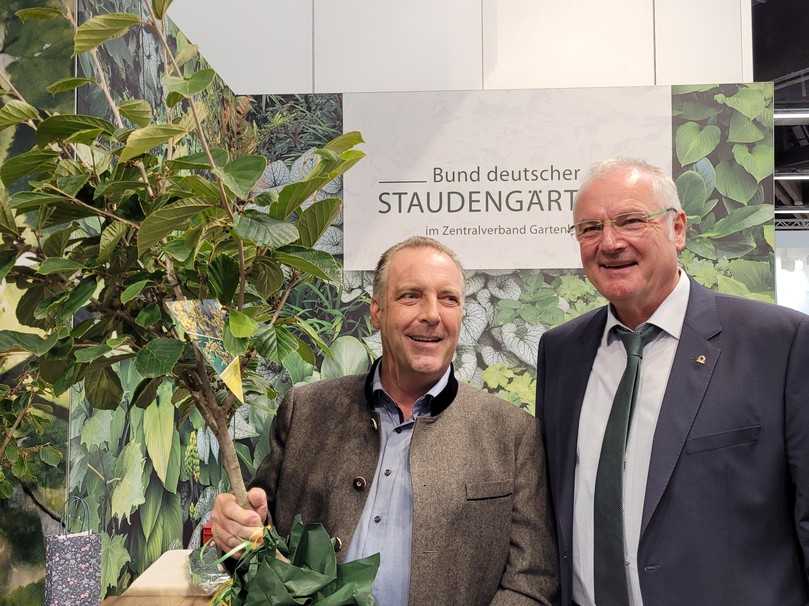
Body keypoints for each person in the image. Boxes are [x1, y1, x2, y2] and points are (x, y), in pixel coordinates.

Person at [214, 236, 559, 606]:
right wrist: (237, 531)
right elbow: (257, 543)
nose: (432, 314)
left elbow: (531, 580)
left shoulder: (512, 433)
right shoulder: (306, 411)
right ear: (376, 311)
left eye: (449, 299)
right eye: (411, 295)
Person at [536, 158, 809, 606]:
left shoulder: (779, 344)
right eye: (589, 228)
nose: (609, 242)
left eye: (629, 221)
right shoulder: (561, 352)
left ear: (677, 229)